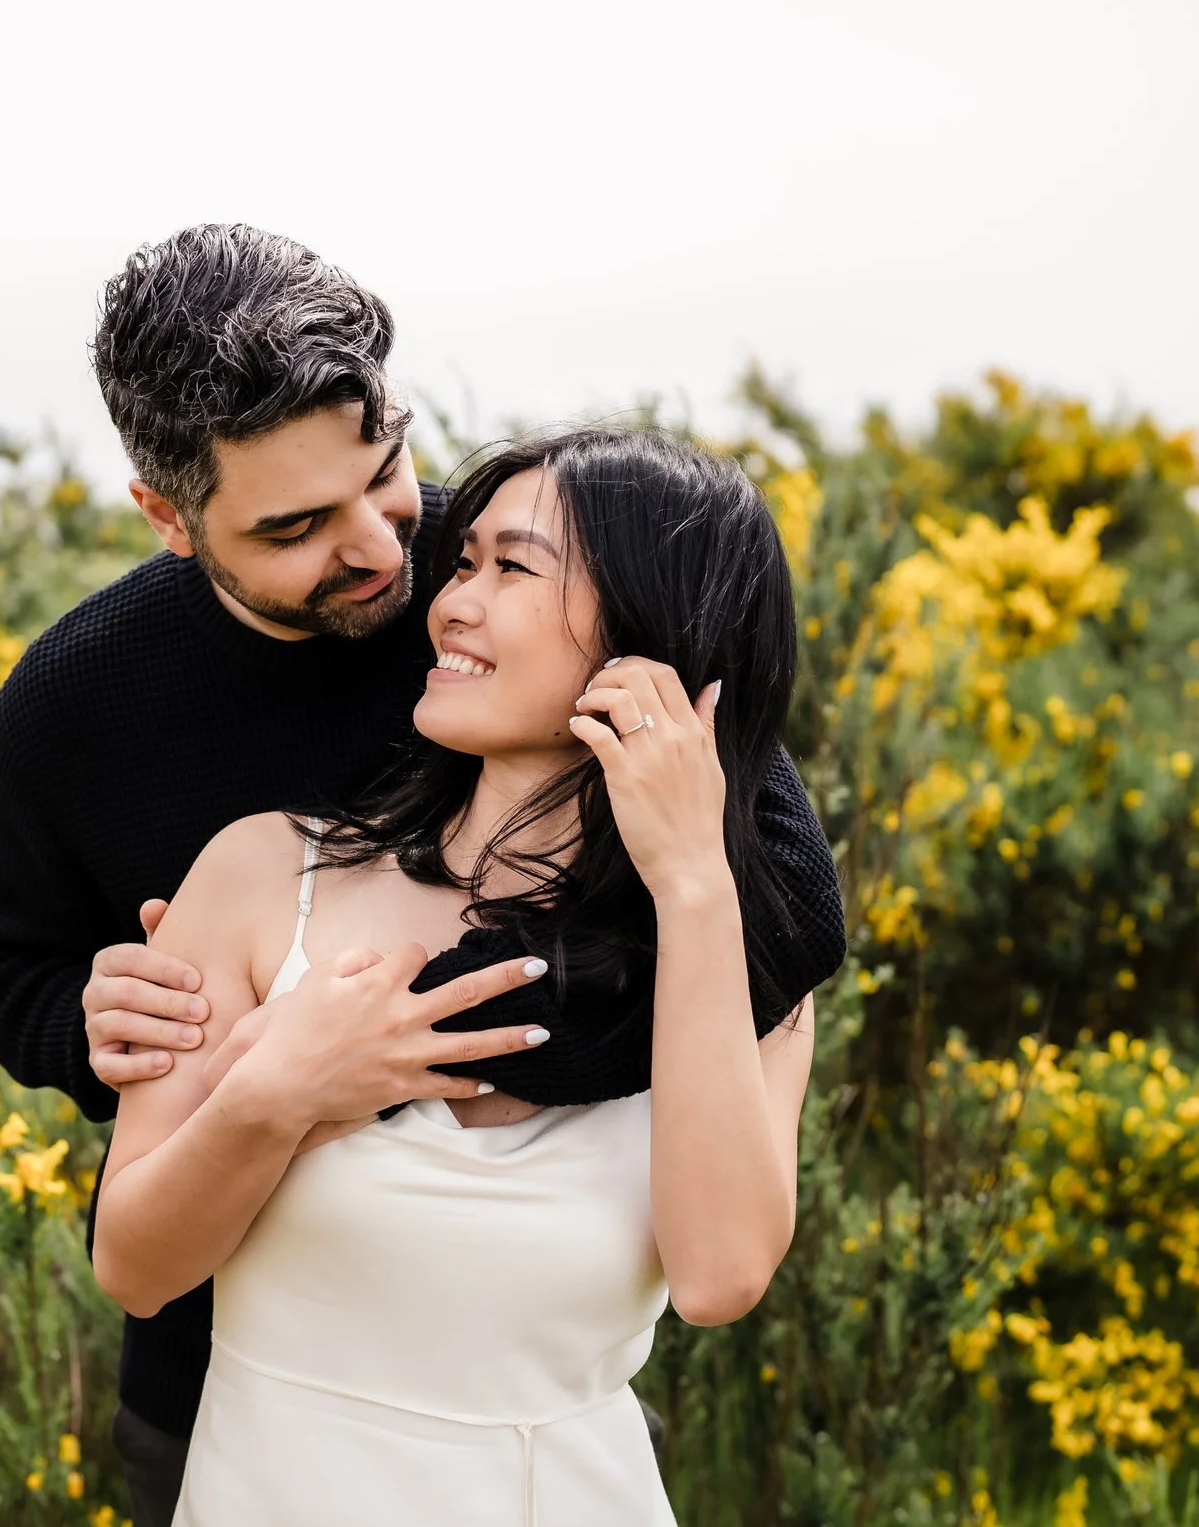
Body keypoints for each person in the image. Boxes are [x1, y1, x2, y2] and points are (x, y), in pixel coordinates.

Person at [0, 224, 844, 1525]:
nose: (391, 554)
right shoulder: (84, 701)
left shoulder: (509, 566)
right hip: (234, 1365)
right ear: (171, 517)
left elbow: (778, 903)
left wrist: (444, 1032)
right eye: (299, 524)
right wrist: (139, 1028)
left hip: (523, 1361)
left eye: (387, 471)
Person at [93, 428, 814, 1525]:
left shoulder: (740, 952)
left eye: (511, 567)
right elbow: (137, 1266)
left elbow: (718, 1279)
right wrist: (280, 1092)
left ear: (650, 638)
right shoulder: (262, 875)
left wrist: (694, 887)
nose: (450, 604)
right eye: (462, 561)